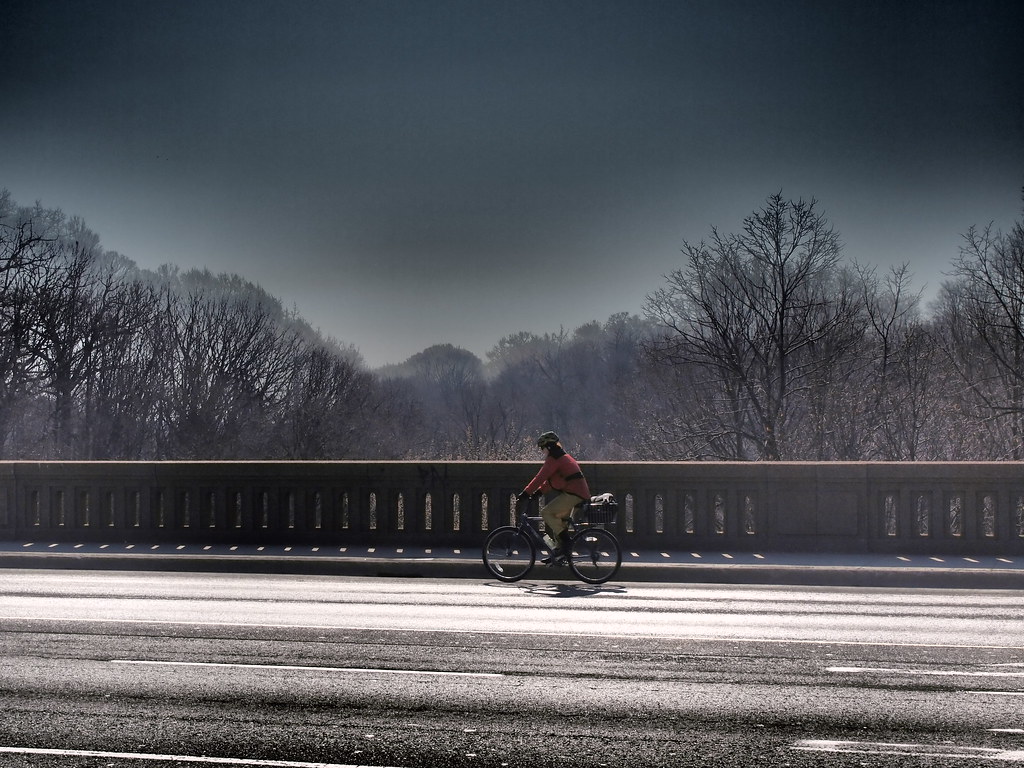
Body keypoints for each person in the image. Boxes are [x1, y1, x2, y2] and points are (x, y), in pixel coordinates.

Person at [518, 431, 590, 564]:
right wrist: (538, 493)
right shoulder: (562, 457)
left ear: (549, 446)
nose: (542, 451)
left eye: (543, 448)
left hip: (574, 494)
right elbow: (552, 481)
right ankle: (558, 553)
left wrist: (526, 492)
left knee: (546, 512)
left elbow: (541, 477)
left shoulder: (554, 459)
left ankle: (566, 542)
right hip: (576, 492)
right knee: (559, 522)